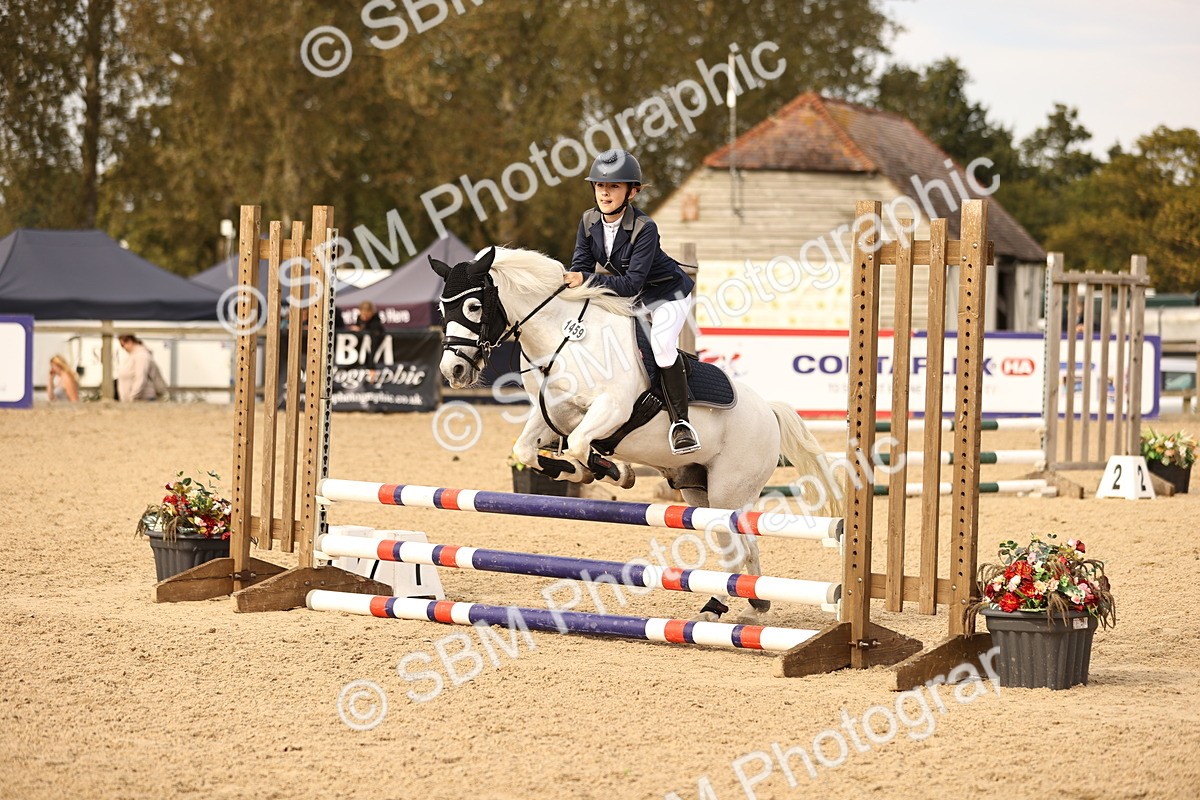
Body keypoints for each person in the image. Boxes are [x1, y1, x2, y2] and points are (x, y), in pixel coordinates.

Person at [565, 149, 700, 455]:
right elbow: (581, 268)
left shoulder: (645, 228)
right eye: (599, 186)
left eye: (613, 186)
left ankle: (681, 423)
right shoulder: (588, 222)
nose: (605, 192)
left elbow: (629, 284)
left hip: (669, 293)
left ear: (632, 191)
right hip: (636, 295)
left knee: (662, 345)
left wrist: (584, 280)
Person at [117, 334, 164, 401]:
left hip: (143, 400)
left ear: (130, 341)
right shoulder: (134, 356)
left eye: (122, 344)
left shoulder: (141, 356)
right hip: (136, 401)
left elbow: (140, 378)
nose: (123, 348)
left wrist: (132, 397)